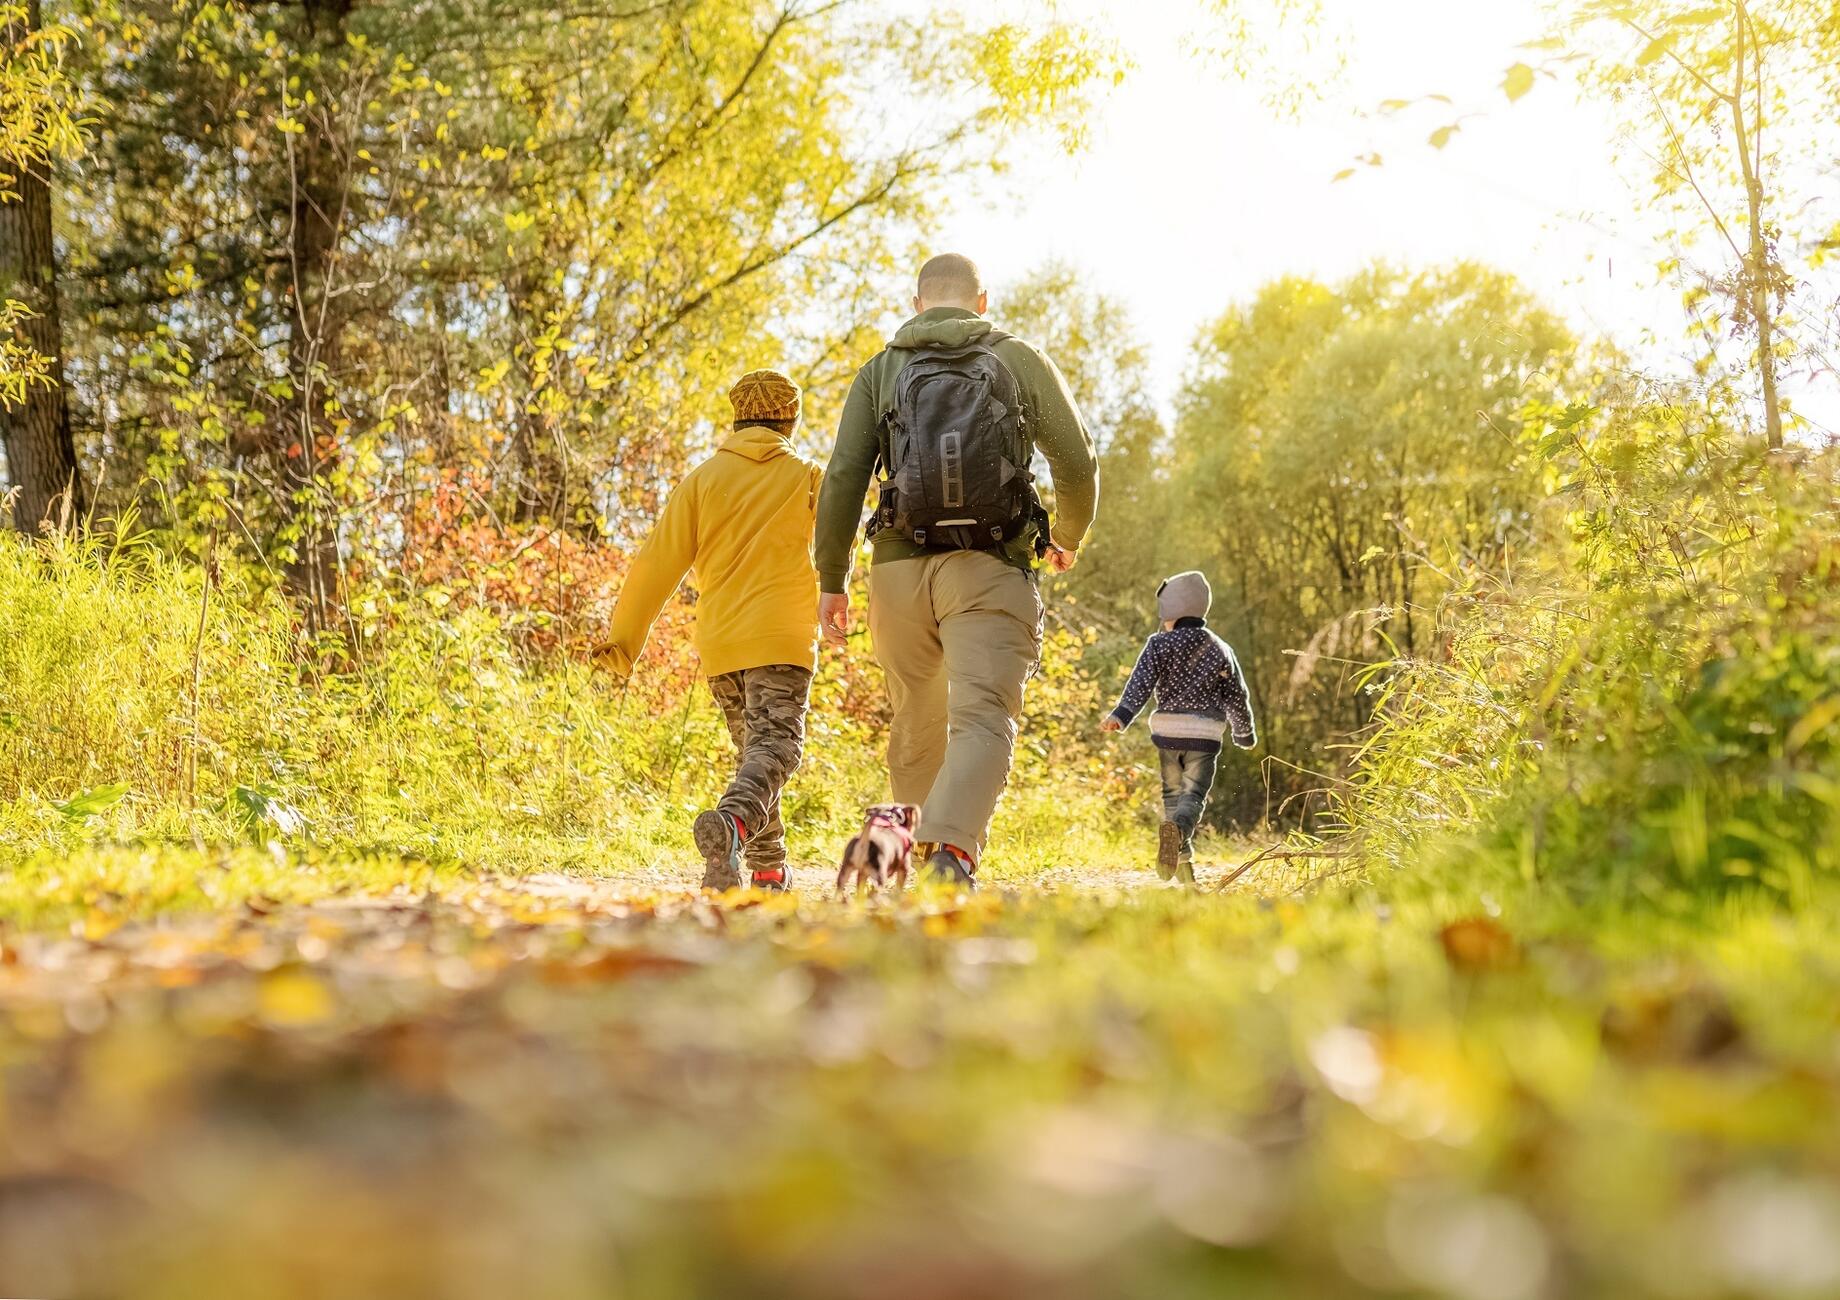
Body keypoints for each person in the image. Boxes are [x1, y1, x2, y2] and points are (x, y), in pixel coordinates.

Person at [814, 253, 1098, 889]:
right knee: (982, 717)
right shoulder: (1018, 359)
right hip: (989, 564)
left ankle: (893, 855)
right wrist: (1067, 537)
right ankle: (949, 854)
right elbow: (1078, 465)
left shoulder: (881, 370)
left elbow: (843, 478)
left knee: (917, 717)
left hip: (897, 571)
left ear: (917, 304)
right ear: (982, 302)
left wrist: (832, 578)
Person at [595, 369, 822, 892]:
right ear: (791, 418)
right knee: (778, 748)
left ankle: (767, 869)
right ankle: (733, 822)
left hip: (721, 643)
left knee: (756, 755)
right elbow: (839, 546)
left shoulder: (701, 480)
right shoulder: (809, 476)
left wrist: (623, 643)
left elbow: (656, 564)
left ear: (736, 417)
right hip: (783, 636)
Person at [1101, 570, 1257, 884]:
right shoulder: (1220, 648)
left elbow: (1140, 685)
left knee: (1173, 798)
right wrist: (1244, 732)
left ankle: (1184, 870)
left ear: (1170, 613)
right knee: (1193, 796)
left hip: (1168, 734)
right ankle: (1182, 847)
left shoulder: (1159, 645)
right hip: (1204, 737)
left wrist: (1121, 715)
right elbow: (1236, 694)